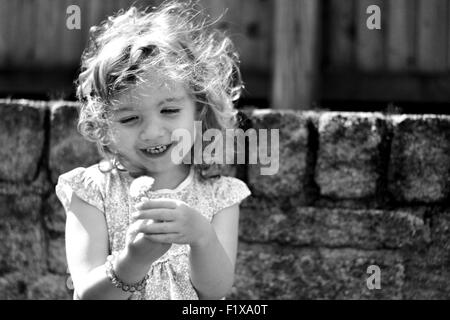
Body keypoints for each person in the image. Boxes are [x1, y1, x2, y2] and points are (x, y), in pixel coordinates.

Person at [55, 1, 251, 300]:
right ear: (105, 123)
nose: (152, 132)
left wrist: (202, 237)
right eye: (130, 118)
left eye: (170, 110)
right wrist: (134, 260)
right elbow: (87, 295)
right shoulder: (92, 192)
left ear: (199, 108)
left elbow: (215, 293)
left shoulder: (219, 195)